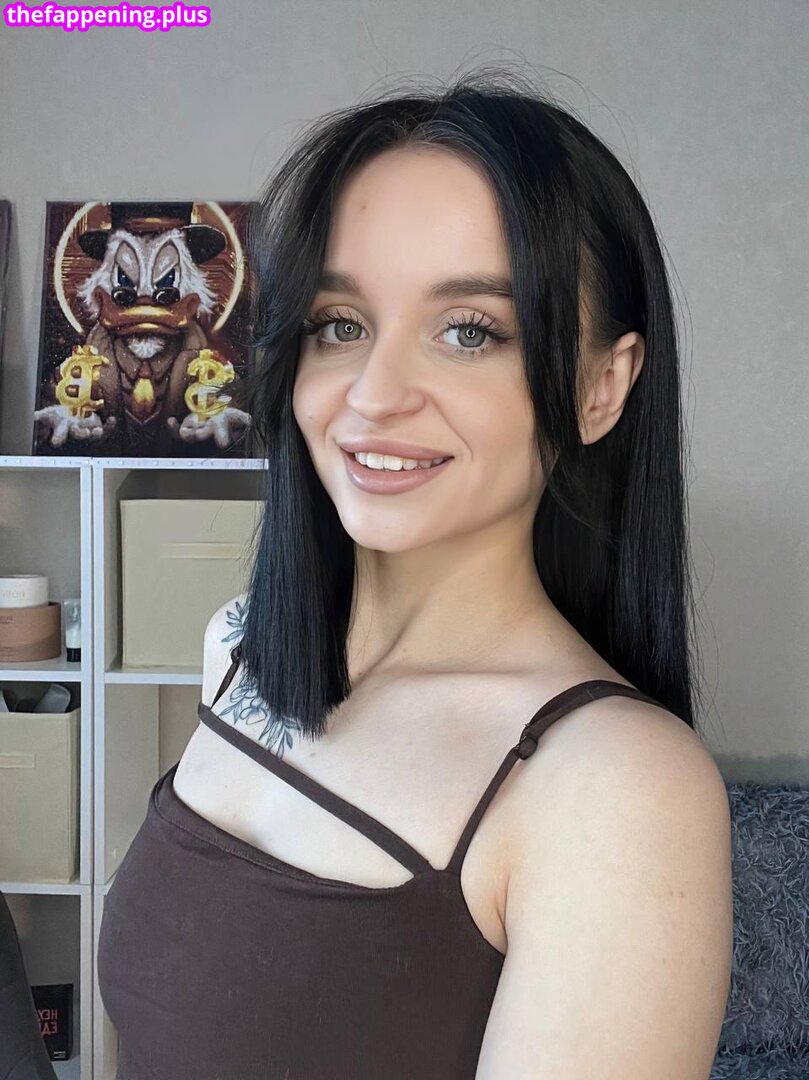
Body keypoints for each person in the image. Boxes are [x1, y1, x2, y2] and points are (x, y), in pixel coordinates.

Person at [97, 66, 733, 1079]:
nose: (373, 394)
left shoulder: (613, 788)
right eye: (339, 325)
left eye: (467, 331)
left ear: (601, 386)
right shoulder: (240, 647)